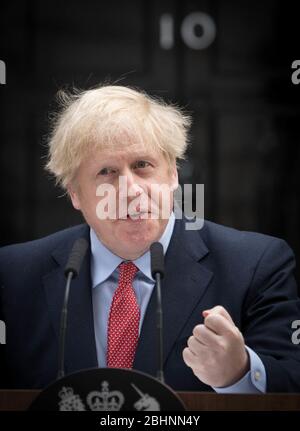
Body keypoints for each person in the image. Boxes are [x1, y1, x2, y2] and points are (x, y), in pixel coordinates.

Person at [0, 85, 300, 392]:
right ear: (75, 193)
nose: (130, 189)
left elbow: (292, 383)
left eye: (142, 165)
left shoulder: (256, 264)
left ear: (172, 174)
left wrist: (241, 372)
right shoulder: (13, 274)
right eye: (107, 171)